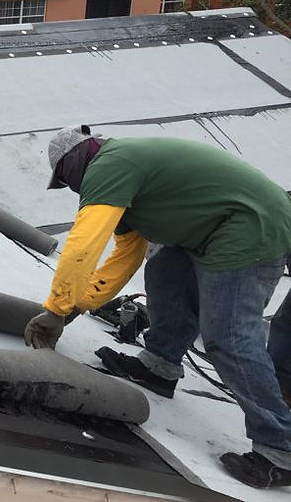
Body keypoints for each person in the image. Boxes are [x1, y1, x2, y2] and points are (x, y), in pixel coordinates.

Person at [23, 125, 291, 489]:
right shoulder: (124, 175)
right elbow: (125, 256)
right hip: (218, 225)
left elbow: (84, 244)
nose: (73, 190)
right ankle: (159, 366)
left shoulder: (107, 167)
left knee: (228, 337)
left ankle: (280, 449)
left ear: (71, 166)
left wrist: (57, 309)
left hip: (250, 227)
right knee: (165, 269)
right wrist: (79, 305)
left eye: (66, 181)